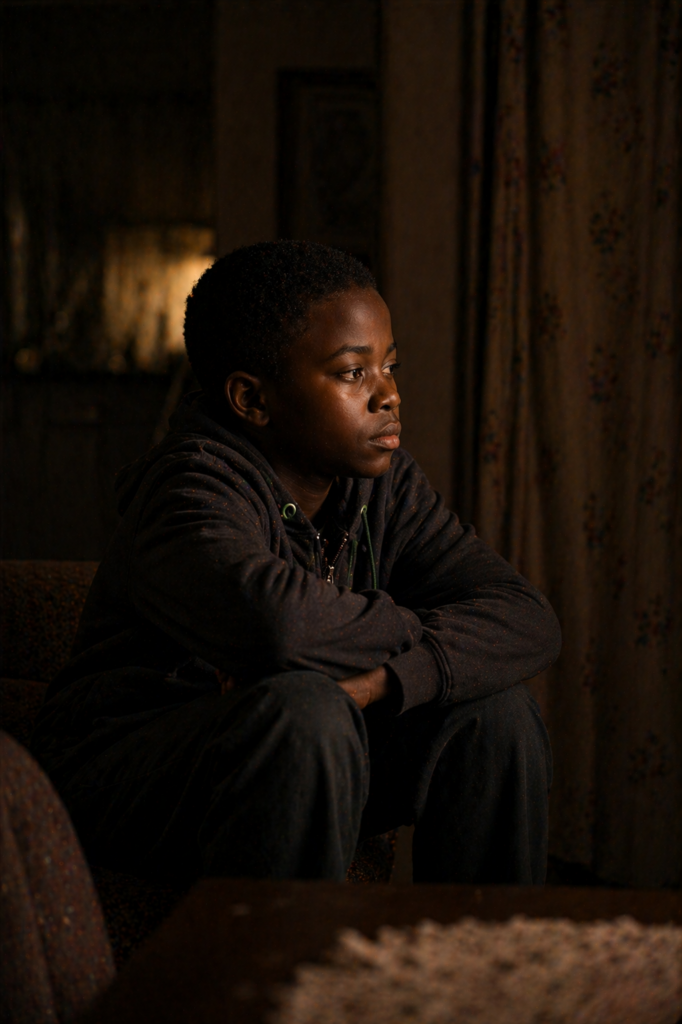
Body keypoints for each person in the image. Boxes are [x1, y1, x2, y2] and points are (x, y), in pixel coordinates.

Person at [31, 241, 561, 886]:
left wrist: (383, 682)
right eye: (350, 373)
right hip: (126, 772)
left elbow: (527, 616)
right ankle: (300, 981)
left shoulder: (382, 487)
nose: (388, 396)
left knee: (494, 713)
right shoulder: (187, 492)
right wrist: (410, 623)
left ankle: (485, 971)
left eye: (390, 367)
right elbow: (281, 628)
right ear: (253, 400)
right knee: (305, 708)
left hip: (307, 746)